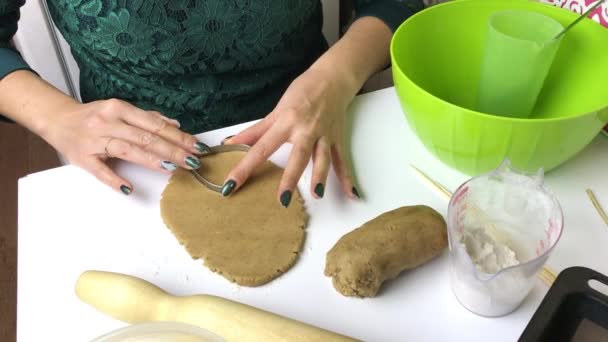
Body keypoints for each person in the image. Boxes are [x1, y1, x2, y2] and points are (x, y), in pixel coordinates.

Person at [0, 0, 423, 207]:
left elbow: (394, 3)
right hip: (136, 160)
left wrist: (337, 75)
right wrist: (56, 117)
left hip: (315, 126)